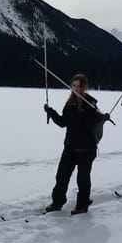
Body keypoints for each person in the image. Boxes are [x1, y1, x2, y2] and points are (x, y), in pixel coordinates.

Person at [44, 73, 109, 215]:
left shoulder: (90, 104)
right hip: (70, 147)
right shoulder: (69, 104)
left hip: (86, 148)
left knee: (83, 178)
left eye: (79, 86)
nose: (76, 89)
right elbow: (63, 123)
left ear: (84, 87)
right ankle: (57, 202)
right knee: (62, 176)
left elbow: (89, 125)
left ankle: (82, 205)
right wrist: (51, 112)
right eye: (74, 86)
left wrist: (101, 118)